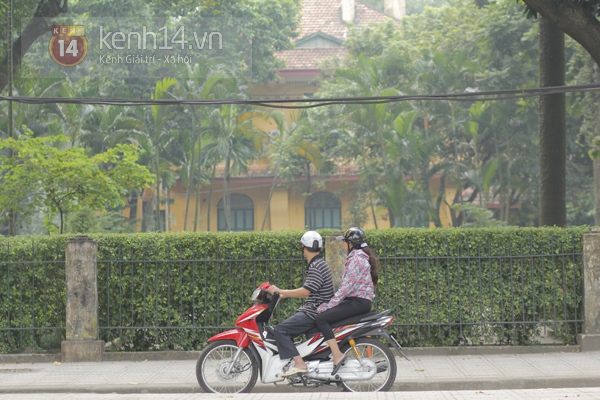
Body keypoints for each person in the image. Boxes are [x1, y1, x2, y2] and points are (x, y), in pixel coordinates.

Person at [267, 230, 334, 377]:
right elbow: (310, 290)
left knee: (280, 330)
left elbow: (306, 291)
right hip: (315, 309)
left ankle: (299, 363)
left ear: (304, 247)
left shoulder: (316, 266)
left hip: (313, 311)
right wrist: (283, 294)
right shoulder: (319, 263)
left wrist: (281, 290)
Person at [314, 227, 378, 376]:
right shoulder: (359, 257)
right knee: (332, 321)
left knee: (321, 318)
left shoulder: (356, 259)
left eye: (344, 242)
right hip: (358, 301)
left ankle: (338, 355)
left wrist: (328, 305)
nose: (343, 245)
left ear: (351, 243)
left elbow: (346, 287)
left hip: (357, 302)